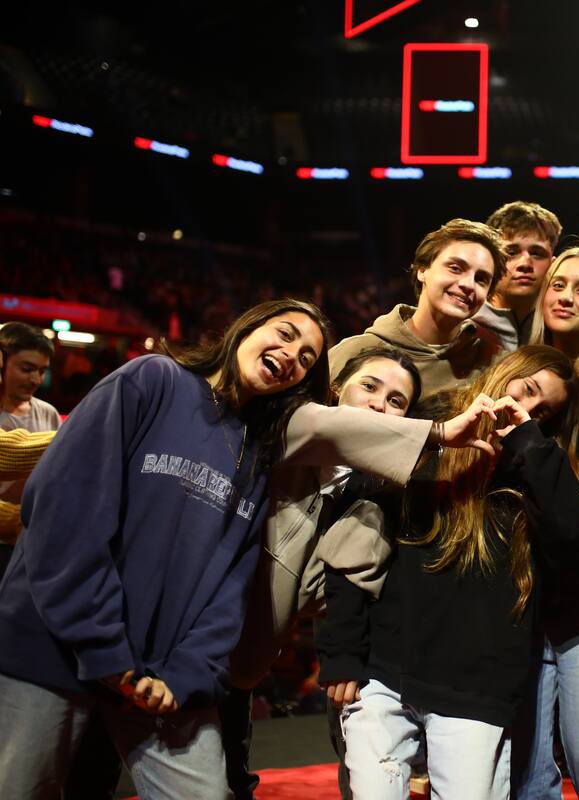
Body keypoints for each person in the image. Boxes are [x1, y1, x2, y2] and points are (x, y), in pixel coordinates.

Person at [0, 299, 332, 799]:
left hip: (161, 680)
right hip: (52, 649)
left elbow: (231, 583)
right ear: (247, 327)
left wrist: (186, 673)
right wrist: (109, 652)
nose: (291, 355)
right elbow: (65, 512)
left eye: (307, 358)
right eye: (285, 335)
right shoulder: (153, 379)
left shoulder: (257, 453)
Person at [224, 345, 503, 799]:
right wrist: (438, 432)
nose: (379, 404)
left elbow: (334, 582)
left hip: (250, 653)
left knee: (233, 778)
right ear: (335, 390)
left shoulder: (383, 491)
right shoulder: (295, 434)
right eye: (369, 387)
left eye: (396, 401)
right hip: (203, 632)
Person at [318, 346, 579, 800]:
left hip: (476, 688)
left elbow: (572, 548)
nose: (528, 407)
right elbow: (355, 540)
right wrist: (342, 647)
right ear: (506, 371)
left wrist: (528, 442)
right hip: (387, 671)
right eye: (527, 389)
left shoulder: (540, 465)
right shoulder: (435, 420)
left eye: (543, 411)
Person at [513, 248, 579, 800]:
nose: (565, 297)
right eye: (558, 284)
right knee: (528, 777)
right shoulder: (515, 377)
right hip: (522, 605)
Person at [329, 218, 506, 397]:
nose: (468, 284)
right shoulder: (353, 352)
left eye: (481, 279)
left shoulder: (493, 365)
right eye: (455, 268)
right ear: (422, 270)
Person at [0, 321, 60, 576]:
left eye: (42, 371)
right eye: (27, 369)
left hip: (29, 544)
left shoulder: (47, 413)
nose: (36, 379)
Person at [474, 201, 563, 351]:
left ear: (553, 264)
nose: (525, 263)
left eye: (537, 253)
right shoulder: (460, 326)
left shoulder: (561, 330)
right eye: (511, 253)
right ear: (491, 260)